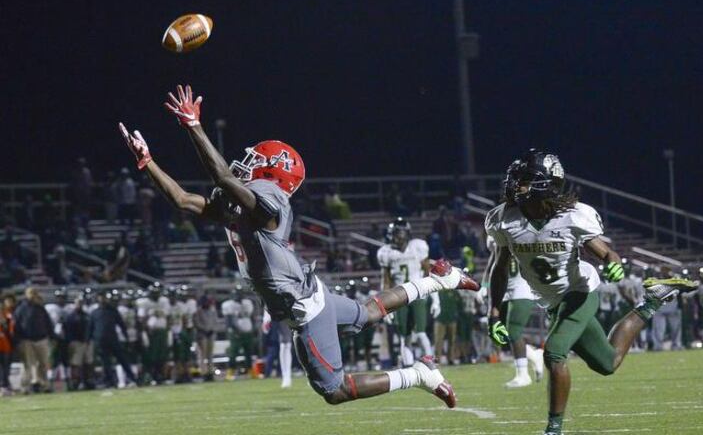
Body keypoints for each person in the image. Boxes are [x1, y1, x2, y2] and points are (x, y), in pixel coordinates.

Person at [119, 84, 479, 406]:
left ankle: (418, 374)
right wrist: (147, 162)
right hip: (307, 291)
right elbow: (183, 200)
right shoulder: (242, 206)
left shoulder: (268, 205)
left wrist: (194, 127)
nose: (248, 165)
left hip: (303, 306)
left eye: (258, 162)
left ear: (274, 175)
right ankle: (440, 280)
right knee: (367, 313)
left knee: (334, 390)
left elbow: (224, 178)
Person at [484, 149, 697, 435]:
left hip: (580, 291)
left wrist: (613, 266)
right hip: (551, 300)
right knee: (607, 363)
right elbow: (499, 268)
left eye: (525, 180)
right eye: (517, 179)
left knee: (555, 353)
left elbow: (607, 253)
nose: (516, 185)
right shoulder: (504, 219)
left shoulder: (572, 217)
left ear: (546, 183)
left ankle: (553, 430)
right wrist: (494, 312)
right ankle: (652, 300)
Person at [377, 218, 439, 366]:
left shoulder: (418, 247)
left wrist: (435, 298)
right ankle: (409, 367)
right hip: (399, 297)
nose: (397, 236)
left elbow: (428, 273)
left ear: (407, 233)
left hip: (418, 294)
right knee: (405, 336)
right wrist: (385, 306)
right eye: (395, 233)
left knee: (421, 332)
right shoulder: (386, 252)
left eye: (400, 233)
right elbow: (385, 281)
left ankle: (431, 365)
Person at [484, 235, 543, 388]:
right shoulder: (497, 230)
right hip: (504, 288)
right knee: (504, 334)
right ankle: (534, 355)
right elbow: (493, 262)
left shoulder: (521, 232)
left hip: (522, 286)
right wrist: (484, 285)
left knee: (513, 331)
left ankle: (523, 375)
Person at [89, 291, 137, 388]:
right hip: (101, 341)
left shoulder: (113, 311)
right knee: (106, 363)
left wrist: (126, 337)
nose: (102, 300)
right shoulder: (95, 312)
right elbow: (90, 328)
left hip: (113, 339)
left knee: (122, 359)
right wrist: (89, 340)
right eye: (101, 297)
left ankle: (132, 378)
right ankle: (110, 381)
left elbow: (121, 324)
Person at [14, 287, 55, 393]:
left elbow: (48, 323)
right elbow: (16, 325)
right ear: (26, 294)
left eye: (35, 293)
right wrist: (18, 340)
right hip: (27, 339)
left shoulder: (40, 308)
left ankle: (44, 385)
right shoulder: (21, 309)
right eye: (31, 293)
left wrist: (51, 336)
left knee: (44, 363)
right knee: (28, 364)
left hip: (41, 338)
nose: (33, 295)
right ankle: (25, 387)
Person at [136, 284, 170, 384]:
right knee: (151, 355)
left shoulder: (164, 301)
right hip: (151, 332)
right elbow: (141, 319)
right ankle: (151, 375)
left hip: (162, 331)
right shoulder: (144, 303)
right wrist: (144, 331)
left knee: (162, 355)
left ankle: (160, 375)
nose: (156, 295)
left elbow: (167, 316)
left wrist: (168, 329)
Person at [222, 287, 256, 380]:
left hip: (247, 332)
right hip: (236, 333)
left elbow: (252, 317)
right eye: (237, 294)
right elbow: (229, 321)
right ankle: (230, 373)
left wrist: (253, 328)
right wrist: (236, 331)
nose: (239, 296)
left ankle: (251, 372)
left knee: (249, 353)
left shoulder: (247, 303)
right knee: (233, 353)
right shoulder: (229, 305)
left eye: (240, 294)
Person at [64, 296, 93, 390]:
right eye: (78, 303)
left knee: (88, 363)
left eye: (81, 303)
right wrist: (71, 341)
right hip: (77, 342)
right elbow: (67, 330)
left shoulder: (87, 315)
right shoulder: (71, 316)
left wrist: (89, 339)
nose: (79, 304)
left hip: (87, 342)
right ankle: (76, 382)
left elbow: (91, 328)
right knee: (76, 364)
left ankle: (88, 381)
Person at [45, 289, 71, 388]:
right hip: (54, 338)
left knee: (66, 360)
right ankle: (50, 382)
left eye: (63, 297)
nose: (61, 299)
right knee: (53, 360)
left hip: (67, 338)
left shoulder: (69, 308)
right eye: (59, 297)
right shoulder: (50, 308)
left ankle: (68, 381)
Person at [117, 290, 142, 384]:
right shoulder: (119, 309)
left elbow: (136, 323)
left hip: (133, 337)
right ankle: (121, 381)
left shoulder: (134, 309)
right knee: (121, 359)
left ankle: (133, 379)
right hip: (122, 337)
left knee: (133, 359)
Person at [194, 294, 218, 381]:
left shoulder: (213, 310)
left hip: (211, 334)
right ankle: (204, 372)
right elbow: (197, 323)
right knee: (202, 355)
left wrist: (212, 330)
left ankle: (210, 372)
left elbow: (215, 321)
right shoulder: (198, 311)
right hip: (202, 335)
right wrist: (204, 330)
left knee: (210, 355)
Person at [0, 293, 15, 396]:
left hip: (6, 345)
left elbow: (11, 330)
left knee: (6, 367)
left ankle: (5, 385)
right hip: (3, 345)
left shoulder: (7, 314)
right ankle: (3, 386)